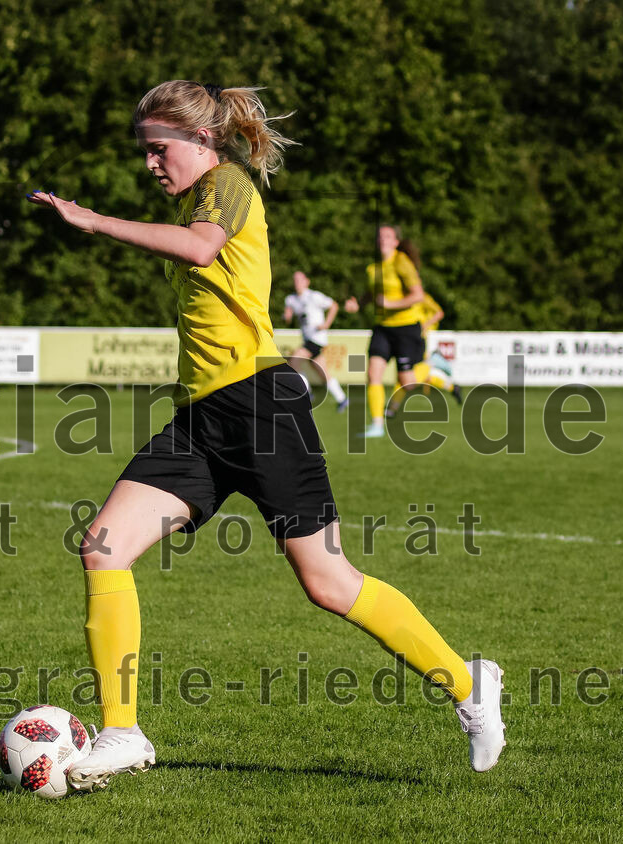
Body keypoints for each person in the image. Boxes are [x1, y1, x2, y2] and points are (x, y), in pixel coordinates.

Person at [28, 80, 505, 792]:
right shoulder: (195, 195)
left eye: (159, 151)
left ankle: (468, 686)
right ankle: (124, 732)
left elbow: (198, 250)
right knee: (103, 547)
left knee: (329, 582)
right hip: (201, 419)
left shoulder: (228, 184)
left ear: (202, 140)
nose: (151, 166)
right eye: (145, 153)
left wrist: (95, 221)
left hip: (262, 407)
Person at [343, 226, 426, 438]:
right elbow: (372, 294)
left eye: (388, 236)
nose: (382, 239)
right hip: (382, 328)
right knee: (373, 373)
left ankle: (433, 369)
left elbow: (418, 296)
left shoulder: (402, 263)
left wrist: (391, 303)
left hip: (406, 327)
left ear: (396, 242)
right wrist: (359, 304)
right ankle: (377, 425)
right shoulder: (373, 268)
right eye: (379, 236)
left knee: (407, 383)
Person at [385, 285, 462, 418]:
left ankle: (391, 409)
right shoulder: (403, 298)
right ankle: (452, 387)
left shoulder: (423, 297)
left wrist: (424, 326)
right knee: (422, 377)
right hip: (411, 341)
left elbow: (439, 313)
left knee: (406, 379)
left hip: (418, 342)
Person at [283, 270, 348, 411]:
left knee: (294, 360)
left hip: (317, 339)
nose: (297, 283)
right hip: (307, 338)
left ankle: (307, 392)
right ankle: (342, 398)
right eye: (295, 280)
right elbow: (288, 314)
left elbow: (334, 306)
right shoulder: (291, 299)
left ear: (307, 281)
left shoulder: (314, 296)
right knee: (322, 371)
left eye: (300, 279)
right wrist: (286, 316)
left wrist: (326, 325)